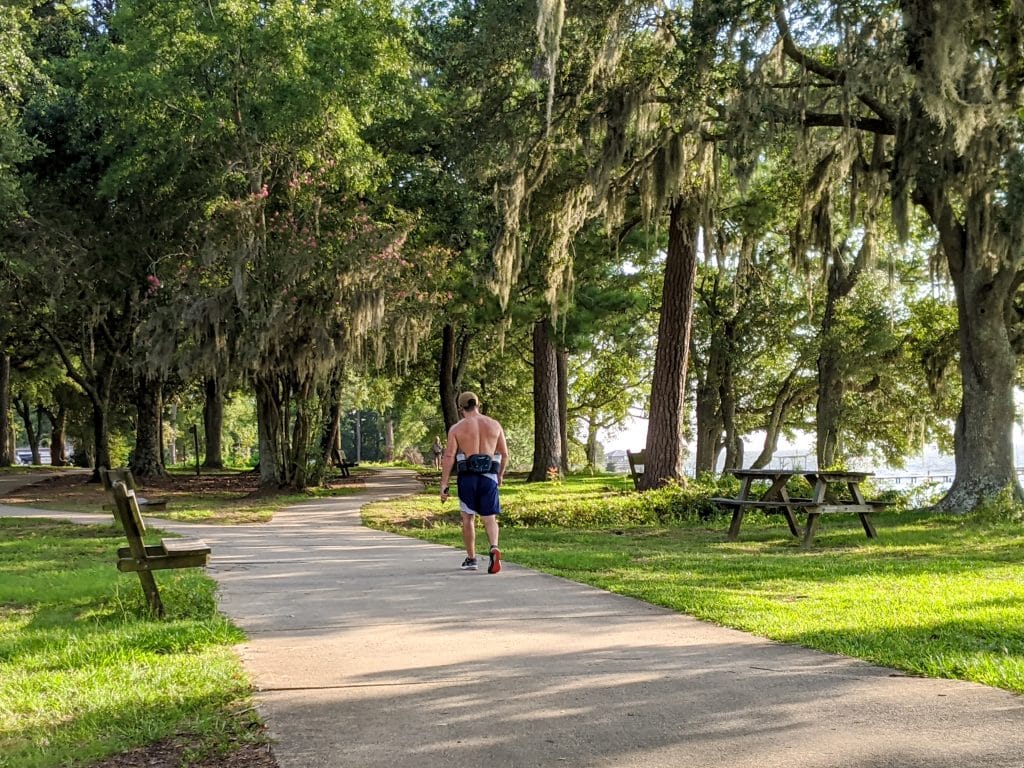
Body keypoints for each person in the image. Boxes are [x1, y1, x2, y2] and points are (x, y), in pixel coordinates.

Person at [439, 391, 509, 574]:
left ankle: (471, 559)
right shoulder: (494, 425)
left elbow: (449, 456)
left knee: (468, 517)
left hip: (467, 477)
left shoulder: (457, 428)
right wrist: (500, 475)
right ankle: (494, 547)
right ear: (478, 404)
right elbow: (504, 454)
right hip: (489, 477)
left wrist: (444, 484)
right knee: (489, 517)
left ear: (460, 407)